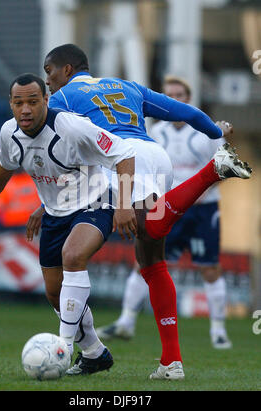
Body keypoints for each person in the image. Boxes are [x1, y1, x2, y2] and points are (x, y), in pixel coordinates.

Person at [26, 44, 251, 380]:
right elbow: (185, 112)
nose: (48, 80)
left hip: (118, 161)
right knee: (151, 262)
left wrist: (49, 203)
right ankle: (171, 362)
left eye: (50, 71)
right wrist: (216, 133)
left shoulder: (61, 100)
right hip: (154, 155)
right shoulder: (127, 87)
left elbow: (52, 153)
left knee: (139, 232)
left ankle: (212, 171)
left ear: (68, 69)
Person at [0, 73, 138, 376]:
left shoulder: (72, 127)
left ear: (46, 101)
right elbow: (5, 163)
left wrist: (125, 203)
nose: (25, 109)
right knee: (55, 293)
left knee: (73, 256)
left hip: (95, 203)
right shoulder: (8, 133)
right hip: (54, 213)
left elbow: (124, 153)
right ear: (11, 104)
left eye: (33, 102)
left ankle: (61, 349)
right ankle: (94, 352)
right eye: (18, 102)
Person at [96, 76, 232, 349]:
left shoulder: (205, 131)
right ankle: (126, 322)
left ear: (188, 98)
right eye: (170, 94)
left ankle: (218, 331)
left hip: (202, 210)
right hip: (165, 207)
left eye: (180, 94)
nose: (175, 99)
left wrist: (223, 137)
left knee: (210, 267)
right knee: (146, 261)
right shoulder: (154, 133)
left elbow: (224, 166)